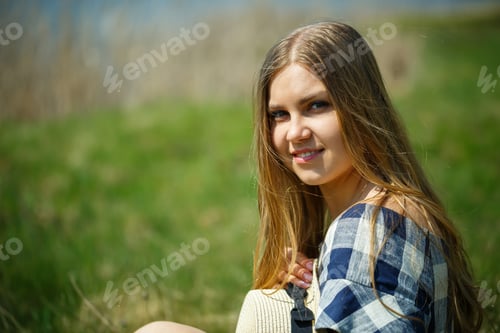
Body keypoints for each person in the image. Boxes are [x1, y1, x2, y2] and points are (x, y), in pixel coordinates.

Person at [136, 21, 484, 332]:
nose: (295, 133)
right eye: (279, 114)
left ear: (360, 106)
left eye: (316, 105)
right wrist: (311, 290)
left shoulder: (368, 229)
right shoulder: (391, 214)